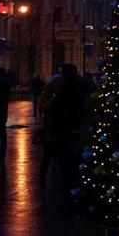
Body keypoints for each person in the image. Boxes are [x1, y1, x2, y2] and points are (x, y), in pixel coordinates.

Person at [51, 63, 86, 204]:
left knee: (63, 159)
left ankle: (67, 187)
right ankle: (74, 185)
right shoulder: (80, 86)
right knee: (73, 158)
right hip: (76, 127)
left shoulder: (63, 87)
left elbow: (57, 107)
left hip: (63, 128)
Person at [37, 75, 60, 180]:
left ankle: (56, 177)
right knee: (47, 155)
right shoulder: (45, 95)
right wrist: (53, 100)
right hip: (48, 129)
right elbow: (41, 108)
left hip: (59, 129)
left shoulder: (61, 95)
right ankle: (42, 176)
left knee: (57, 156)